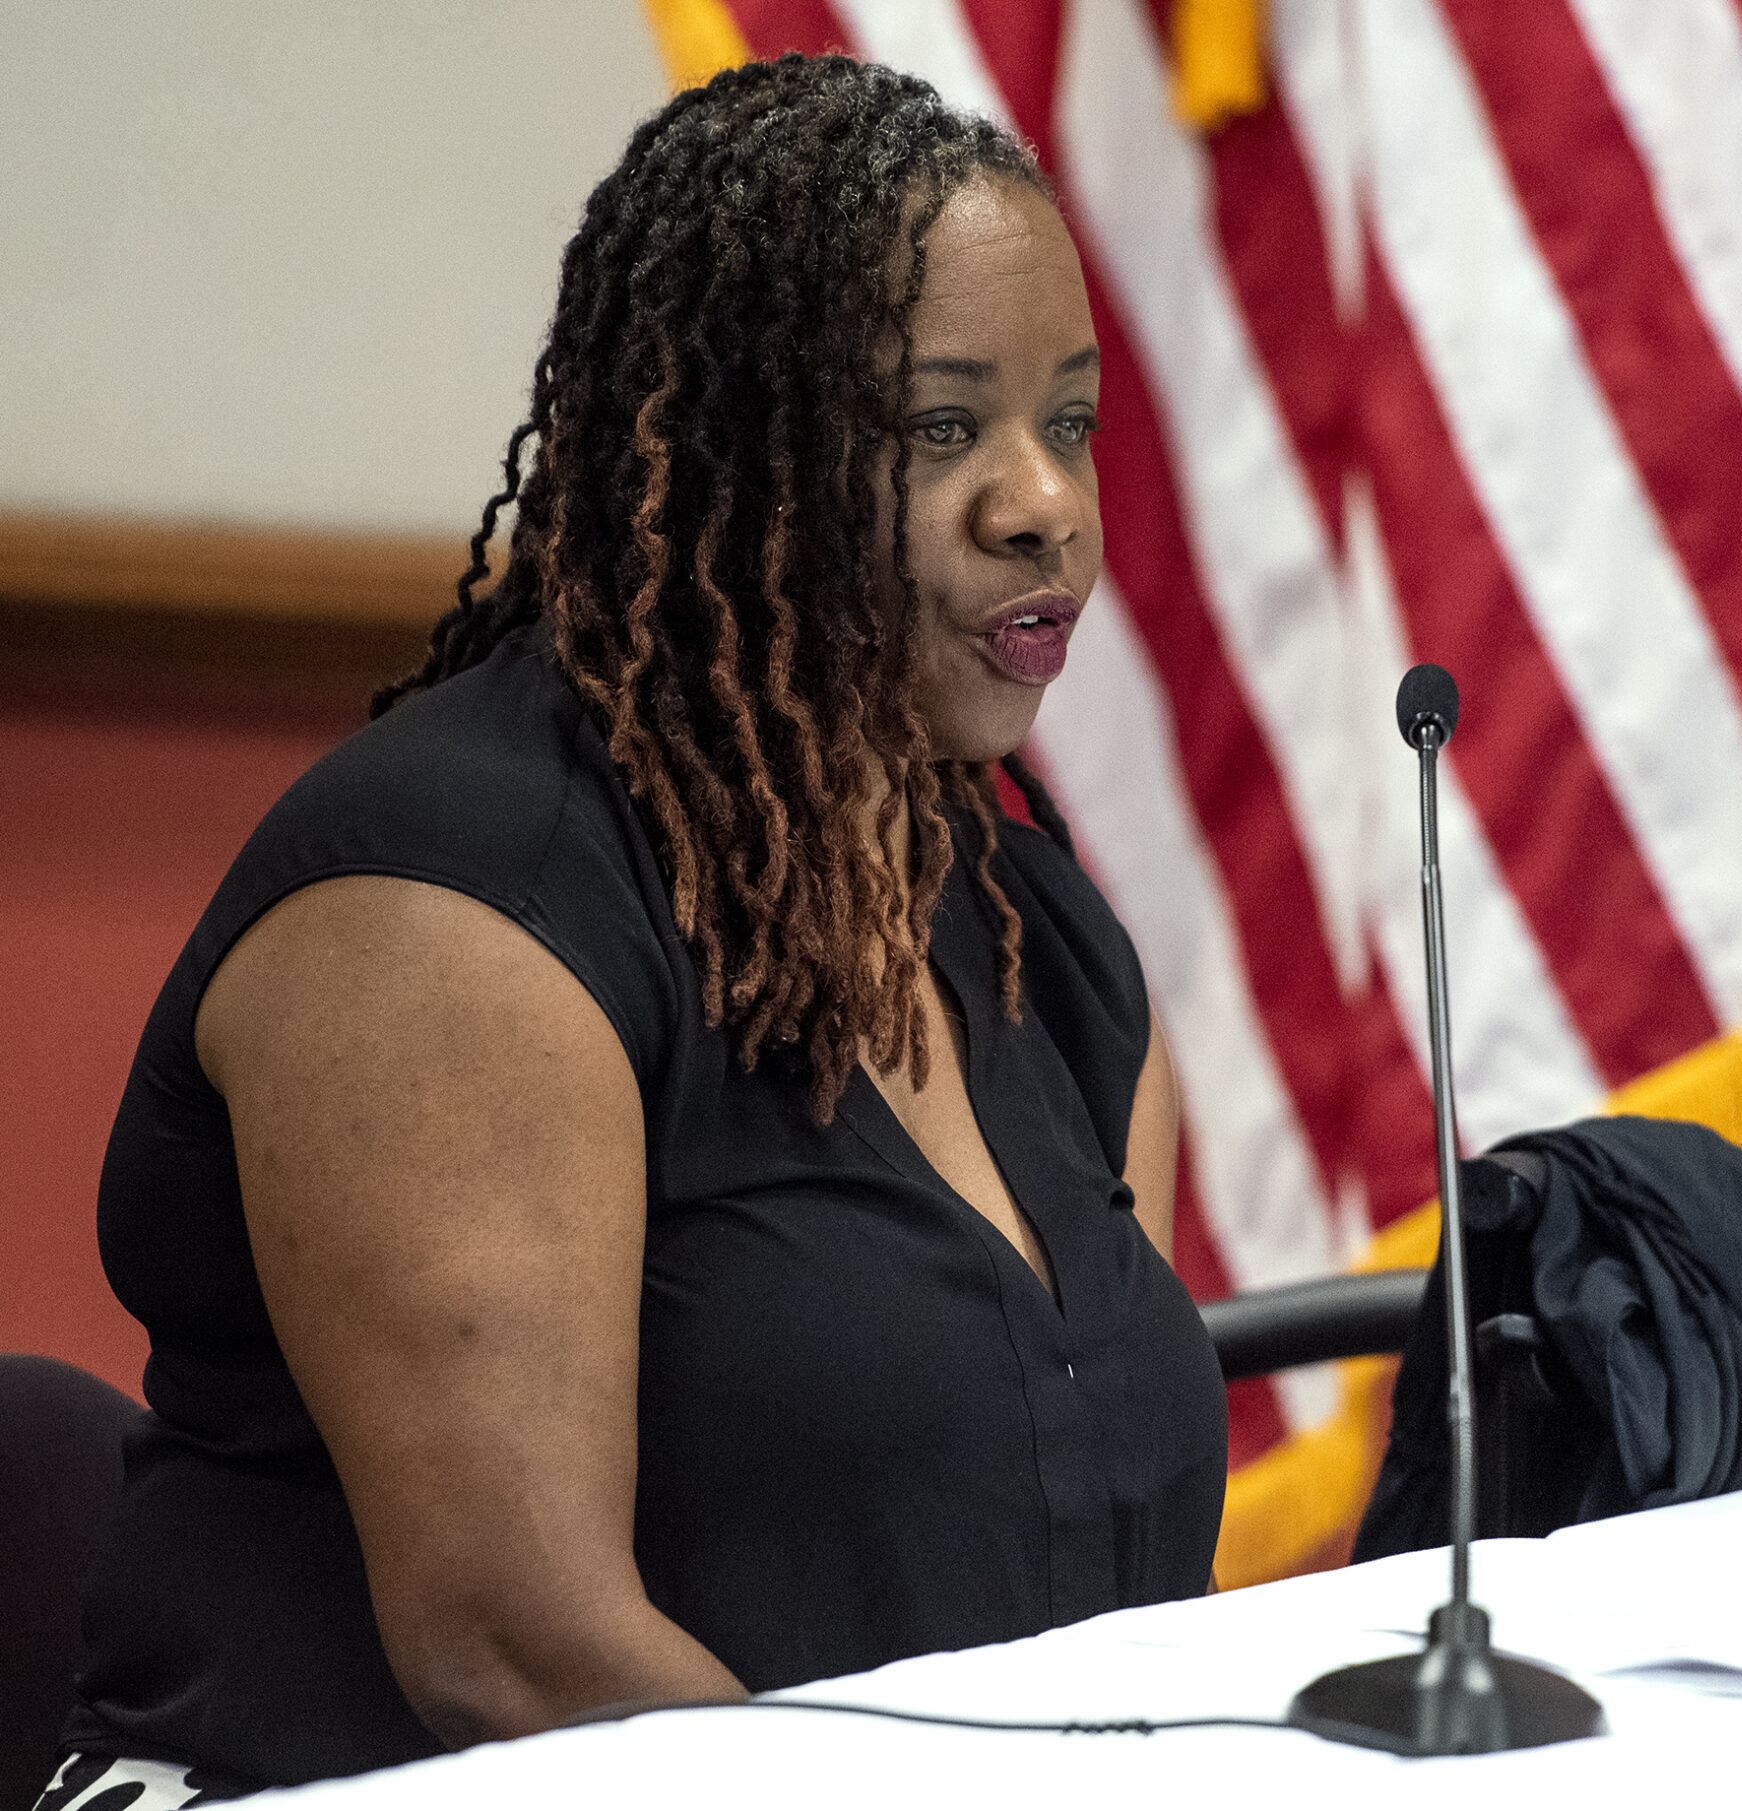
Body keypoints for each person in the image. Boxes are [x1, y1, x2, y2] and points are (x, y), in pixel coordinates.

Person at [45, 56, 1228, 1808]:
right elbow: (516, 1652)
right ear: (726, 453)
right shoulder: (454, 901)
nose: (1040, 501)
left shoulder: (1028, 940)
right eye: (935, 427)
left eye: (1069, 420)